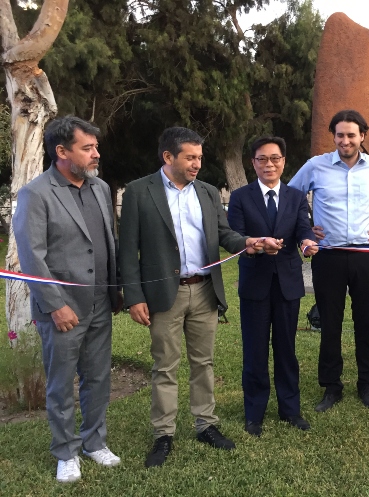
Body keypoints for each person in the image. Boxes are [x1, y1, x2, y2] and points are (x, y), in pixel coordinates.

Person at [119, 127, 282, 467]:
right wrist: (134, 296)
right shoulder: (138, 192)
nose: (197, 164)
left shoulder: (207, 192)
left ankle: (205, 424)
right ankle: (163, 435)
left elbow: (224, 234)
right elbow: (127, 249)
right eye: (190, 157)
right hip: (165, 295)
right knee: (165, 366)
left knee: (203, 364)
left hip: (206, 290)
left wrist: (249, 243)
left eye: (200, 158)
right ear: (168, 157)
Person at [13, 116, 123, 483]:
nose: (96, 154)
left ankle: (94, 443)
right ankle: (66, 451)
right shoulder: (36, 193)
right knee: (61, 384)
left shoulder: (100, 188)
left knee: (98, 378)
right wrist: (54, 304)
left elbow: (108, 244)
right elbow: (32, 256)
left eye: (95, 147)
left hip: (100, 305)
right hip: (62, 310)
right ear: (61, 152)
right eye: (87, 148)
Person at [288, 109, 369, 412]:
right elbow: (291, 198)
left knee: (365, 322)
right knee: (330, 323)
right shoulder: (316, 166)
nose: (346, 140)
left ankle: (367, 385)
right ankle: (331, 387)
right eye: (340, 135)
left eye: (352, 135)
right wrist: (306, 228)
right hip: (329, 257)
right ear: (334, 136)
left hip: (365, 256)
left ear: (362, 136)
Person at [227, 136, 319, 437]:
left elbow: (303, 230)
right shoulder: (240, 197)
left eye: (275, 158)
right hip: (255, 283)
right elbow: (235, 237)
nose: (269, 164)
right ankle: (254, 413)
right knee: (254, 351)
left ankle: (290, 409)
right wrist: (255, 244)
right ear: (253, 163)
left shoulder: (295, 197)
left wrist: (307, 244)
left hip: (288, 284)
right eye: (262, 159)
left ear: (283, 161)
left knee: (286, 350)